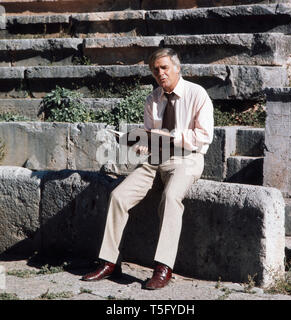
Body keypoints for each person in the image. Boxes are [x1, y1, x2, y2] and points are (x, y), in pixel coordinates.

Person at [81, 48, 214, 289]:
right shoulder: (152, 99)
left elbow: (204, 136)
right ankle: (110, 261)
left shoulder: (198, 94)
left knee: (171, 196)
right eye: (155, 70)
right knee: (118, 196)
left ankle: (163, 267)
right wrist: (143, 143)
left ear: (177, 68)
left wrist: (171, 136)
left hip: (189, 157)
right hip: (157, 157)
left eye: (164, 68)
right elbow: (151, 135)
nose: (160, 73)